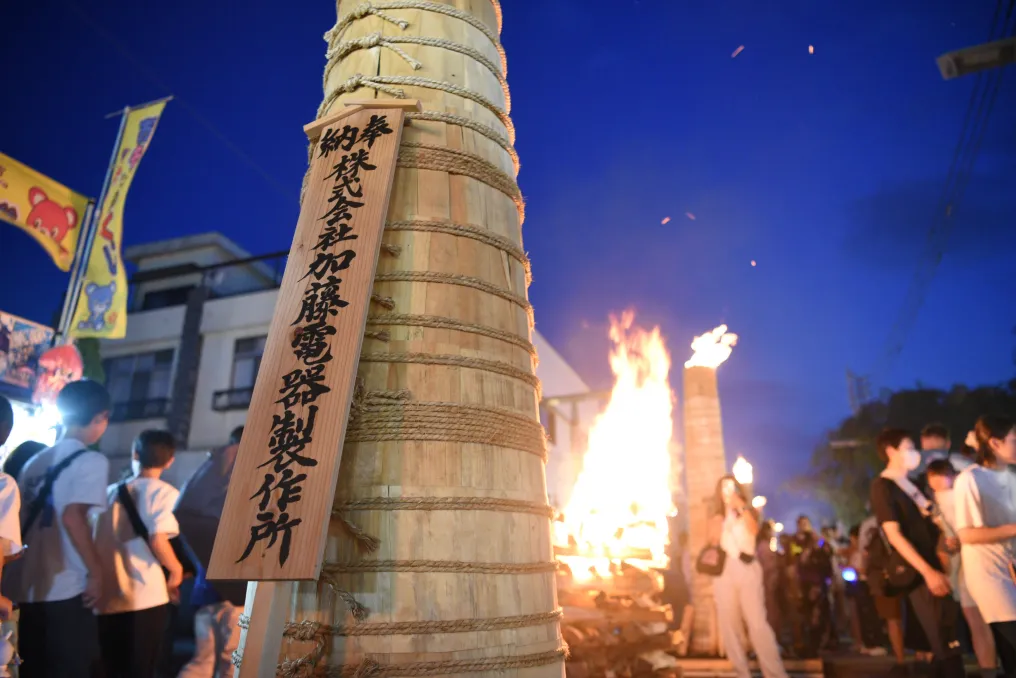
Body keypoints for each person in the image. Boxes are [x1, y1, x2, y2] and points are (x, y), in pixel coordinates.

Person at [6, 379, 111, 677]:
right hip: (64, 588)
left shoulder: (35, 461)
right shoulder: (91, 460)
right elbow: (73, 516)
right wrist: (96, 571)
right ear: (100, 417)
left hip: (23, 587)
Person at [870, 427, 964, 678]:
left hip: (938, 567)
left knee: (949, 643)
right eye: (908, 448)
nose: (914, 454)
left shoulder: (913, 484)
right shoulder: (883, 486)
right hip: (920, 574)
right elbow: (894, 535)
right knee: (943, 645)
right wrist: (928, 572)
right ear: (890, 451)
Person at [95, 430, 184, 677]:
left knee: (109, 666)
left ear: (135, 454)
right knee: (140, 668)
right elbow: (157, 538)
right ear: (170, 461)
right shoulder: (167, 494)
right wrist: (175, 570)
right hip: (145, 596)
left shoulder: (109, 492)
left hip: (107, 595)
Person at [176, 426, 246, 678]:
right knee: (230, 665)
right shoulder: (241, 487)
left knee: (203, 662)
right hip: (233, 593)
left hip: (205, 591)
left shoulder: (209, 481)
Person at [954, 415, 1016, 675]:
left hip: (1011, 569)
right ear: (994, 443)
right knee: (1011, 643)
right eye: (1014, 440)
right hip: (990, 574)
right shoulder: (970, 479)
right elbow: (967, 535)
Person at [709, 475, 788, 678]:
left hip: (747, 567)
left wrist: (741, 508)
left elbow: (753, 530)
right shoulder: (717, 514)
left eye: (731, 486)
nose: (727, 491)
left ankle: (775, 673)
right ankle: (741, 673)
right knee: (730, 625)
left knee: (757, 623)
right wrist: (719, 519)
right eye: (723, 487)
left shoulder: (748, 511)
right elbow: (712, 540)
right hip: (724, 570)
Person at [927, 458, 997, 677]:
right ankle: (989, 670)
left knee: (983, 623)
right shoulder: (940, 505)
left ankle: (991, 669)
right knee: (979, 622)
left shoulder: (963, 497)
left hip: (979, 565)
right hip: (966, 569)